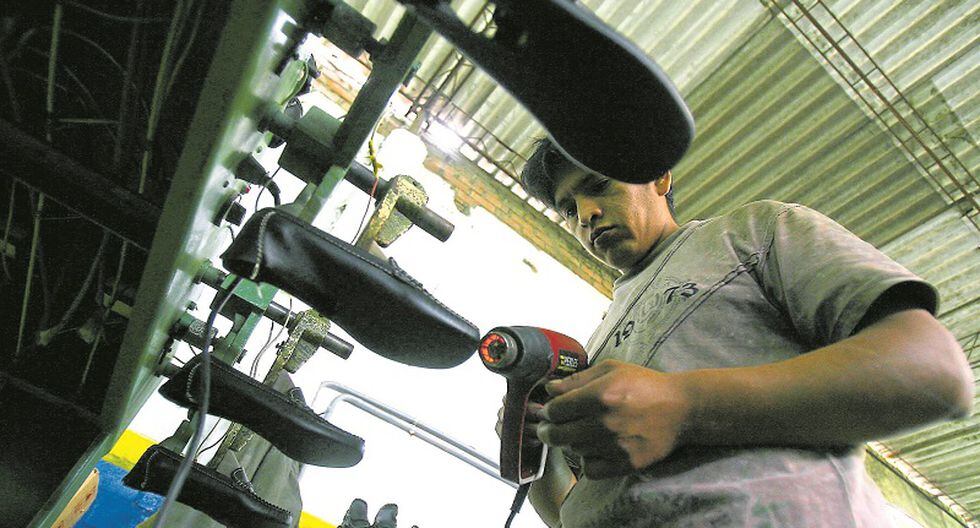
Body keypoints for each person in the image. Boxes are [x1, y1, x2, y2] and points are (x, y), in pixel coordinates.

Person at [504, 138, 974, 528]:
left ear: (659, 178)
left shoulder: (751, 234)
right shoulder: (597, 347)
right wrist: (535, 448)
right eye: (568, 209)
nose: (586, 213)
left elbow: (932, 369)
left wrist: (686, 406)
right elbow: (572, 514)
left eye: (598, 186)